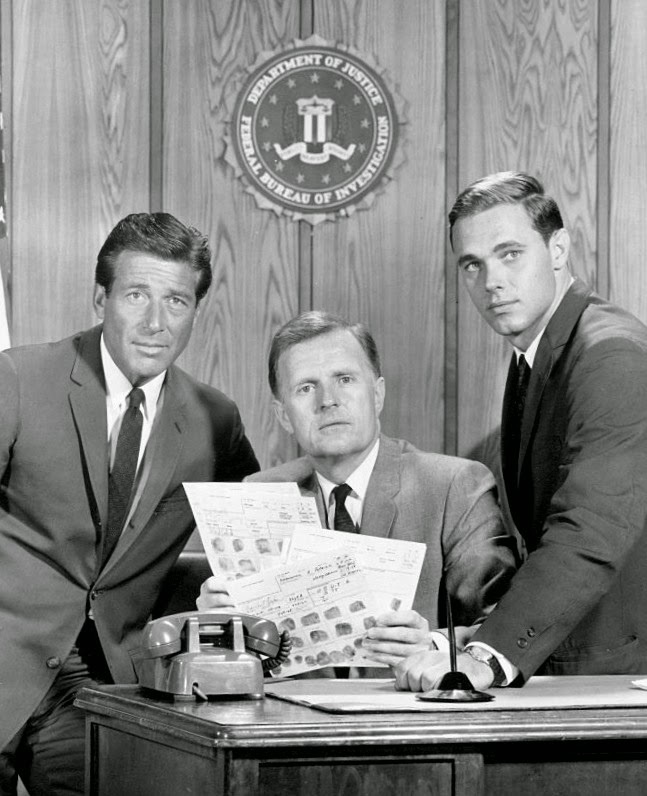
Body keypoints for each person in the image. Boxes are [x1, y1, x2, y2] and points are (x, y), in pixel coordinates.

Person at [0, 212, 259, 794]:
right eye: (136, 295)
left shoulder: (215, 419)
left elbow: (264, 517)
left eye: (176, 301)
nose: (155, 322)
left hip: (100, 682)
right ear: (102, 298)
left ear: (196, 311)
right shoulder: (17, 378)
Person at [395, 171, 647, 693]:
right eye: (473, 264)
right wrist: (470, 638)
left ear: (558, 250)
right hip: (579, 661)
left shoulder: (610, 355)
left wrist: (488, 656)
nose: (491, 281)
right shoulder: (536, 353)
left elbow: (589, 531)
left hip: (618, 674)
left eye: (510, 254)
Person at [198, 310, 518, 672]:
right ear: (284, 415)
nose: (327, 400)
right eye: (306, 388)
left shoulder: (454, 486)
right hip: (291, 706)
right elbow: (241, 657)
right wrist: (216, 627)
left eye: (345, 379)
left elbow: (505, 626)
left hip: (408, 703)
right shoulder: (259, 494)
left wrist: (433, 645)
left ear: (377, 394)